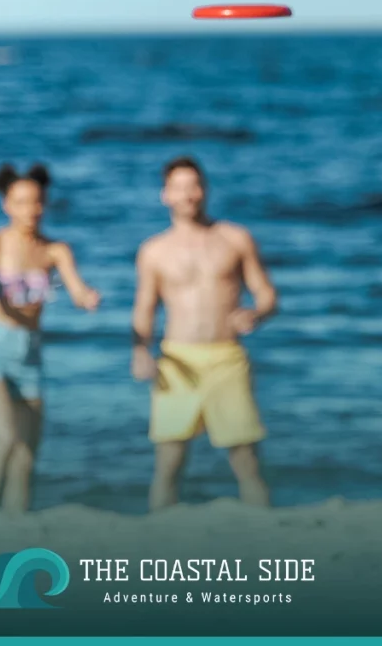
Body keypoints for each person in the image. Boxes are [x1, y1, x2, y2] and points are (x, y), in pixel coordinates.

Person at [131, 156, 277, 511]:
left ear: (205, 189)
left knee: (245, 458)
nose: (188, 195)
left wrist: (256, 313)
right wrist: (139, 351)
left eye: (194, 186)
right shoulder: (154, 251)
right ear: (165, 195)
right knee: (169, 459)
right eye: (179, 188)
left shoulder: (235, 238)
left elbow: (266, 294)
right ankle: (158, 533)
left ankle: (265, 529)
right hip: (177, 360)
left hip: (227, 357)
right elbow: (145, 307)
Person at [0, 163, 101, 512]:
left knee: (26, 452)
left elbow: (77, 289)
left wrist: (88, 299)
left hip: (29, 353)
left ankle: (15, 525)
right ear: (6, 205)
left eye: (36, 202)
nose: (30, 210)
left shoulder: (55, 250)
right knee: (5, 438)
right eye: (21, 202)